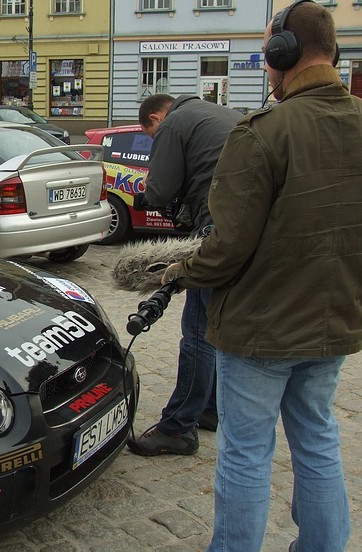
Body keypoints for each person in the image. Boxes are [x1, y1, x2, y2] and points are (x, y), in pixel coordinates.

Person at [161, 2, 362, 552]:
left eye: (268, 48)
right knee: (317, 441)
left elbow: (227, 247)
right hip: (335, 324)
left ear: (282, 53)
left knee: (246, 451)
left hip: (260, 329)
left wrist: (178, 272)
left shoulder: (263, 131)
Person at [126, 93, 241, 457]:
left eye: (150, 136)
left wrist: (145, 195)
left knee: (197, 331)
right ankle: (210, 409)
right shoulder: (223, 112)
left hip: (216, 230)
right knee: (216, 325)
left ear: (155, 119)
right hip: (246, 229)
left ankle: (178, 428)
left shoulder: (173, 124)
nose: (153, 140)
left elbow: (159, 191)